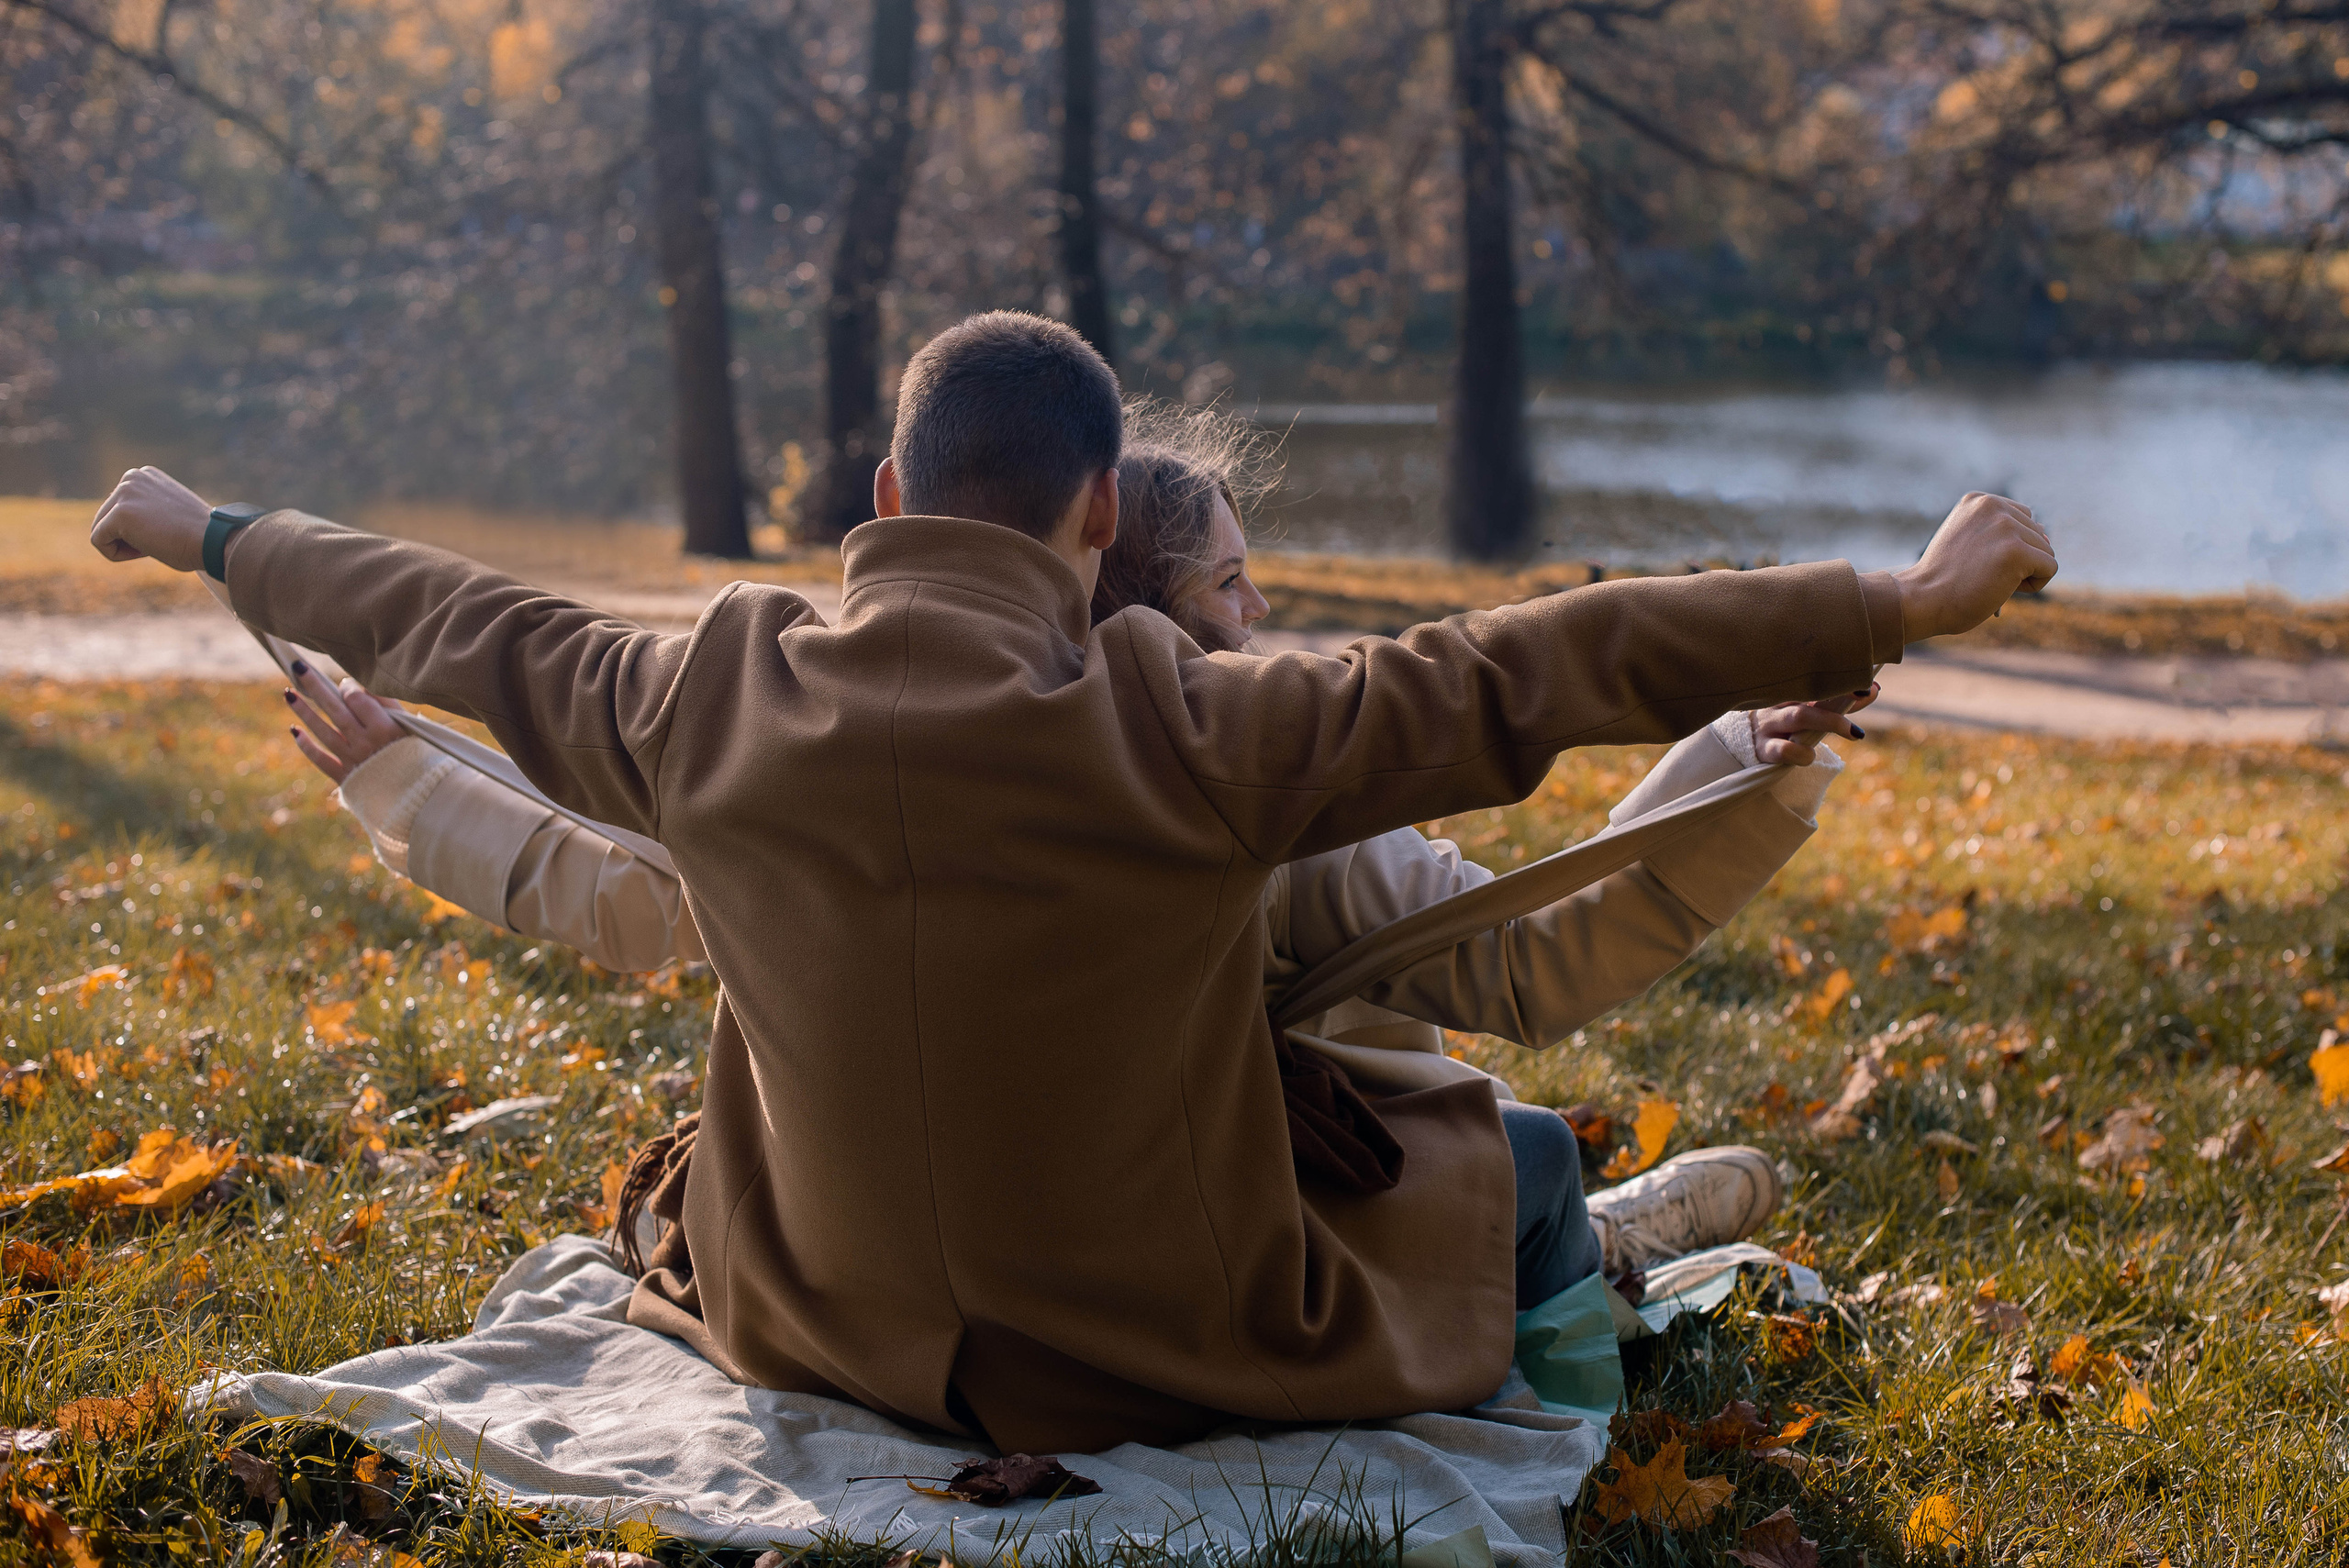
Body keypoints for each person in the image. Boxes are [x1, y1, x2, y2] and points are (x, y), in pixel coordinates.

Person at [90, 309, 2054, 1454]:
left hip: (820, 1323)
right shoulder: (1192, 732)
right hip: (1155, 1356)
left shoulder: (702, 694)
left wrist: (216, 531)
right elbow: (1539, 661)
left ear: (884, 497)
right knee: (1491, 1159)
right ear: (1098, 513)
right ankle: (1597, 1269)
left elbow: (447, 613)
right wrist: (1891, 598)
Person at [286, 398, 1877, 1306]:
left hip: (914, 1291)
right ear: (1133, 573)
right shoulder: (1248, 785)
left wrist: (411, 783)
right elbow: (1541, 953)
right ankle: (1607, 1250)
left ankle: (1605, 1228)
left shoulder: (862, 773)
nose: (1263, 618)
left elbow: (628, 894)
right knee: (1511, 1158)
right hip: (1212, 1269)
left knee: (1495, 1142)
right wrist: (1744, 766)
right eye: (1240, 589)